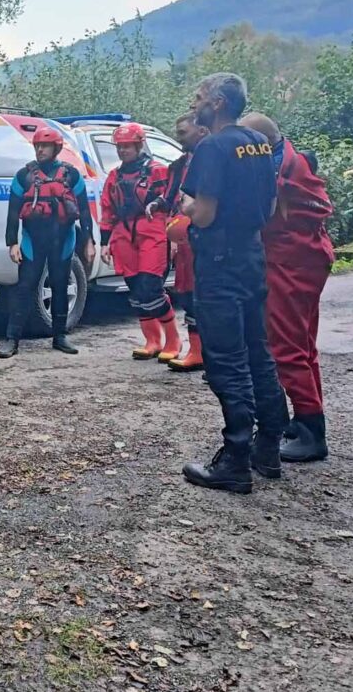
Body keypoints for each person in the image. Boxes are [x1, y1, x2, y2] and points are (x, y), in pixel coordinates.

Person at [179, 72, 286, 493]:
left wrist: (185, 205)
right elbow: (273, 205)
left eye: (201, 96)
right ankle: (269, 447)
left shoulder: (213, 146)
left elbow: (203, 213)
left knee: (227, 360)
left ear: (219, 103)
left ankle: (235, 460)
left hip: (220, 261)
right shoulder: (261, 143)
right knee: (259, 352)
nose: (195, 101)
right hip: (252, 255)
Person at [240, 111, 335, 464]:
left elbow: (262, 215)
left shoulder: (276, 173)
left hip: (290, 262)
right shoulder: (291, 161)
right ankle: (307, 420)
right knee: (304, 346)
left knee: (287, 348)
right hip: (308, 258)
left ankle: (311, 432)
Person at [0, 126, 94, 358]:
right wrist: (12, 242)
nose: (40, 150)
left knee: (60, 286)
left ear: (56, 148)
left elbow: (84, 210)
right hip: (33, 240)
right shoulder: (24, 175)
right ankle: (12, 340)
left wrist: (89, 242)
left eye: (45, 146)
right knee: (24, 288)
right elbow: (12, 212)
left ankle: (60, 337)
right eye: (37, 146)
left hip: (64, 239)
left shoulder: (72, 175)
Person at [100, 122, 180, 362]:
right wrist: (105, 242)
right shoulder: (114, 176)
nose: (123, 151)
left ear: (139, 145)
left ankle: (173, 338)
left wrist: (174, 236)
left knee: (150, 287)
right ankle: (152, 340)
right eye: (120, 146)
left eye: (127, 146)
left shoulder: (158, 171)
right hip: (124, 233)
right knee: (135, 289)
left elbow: (174, 202)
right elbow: (107, 209)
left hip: (153, 230)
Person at [155, 113, 208, 372]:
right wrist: (157, 205)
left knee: (208, 296)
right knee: (187, 296)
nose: (178, 137)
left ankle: (215, 356)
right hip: (184, 240)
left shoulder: (213, 159)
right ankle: (196, 352)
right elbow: (169, 197)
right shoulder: (177, 166)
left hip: (209, 237)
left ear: (201, 131)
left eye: (183, 132)